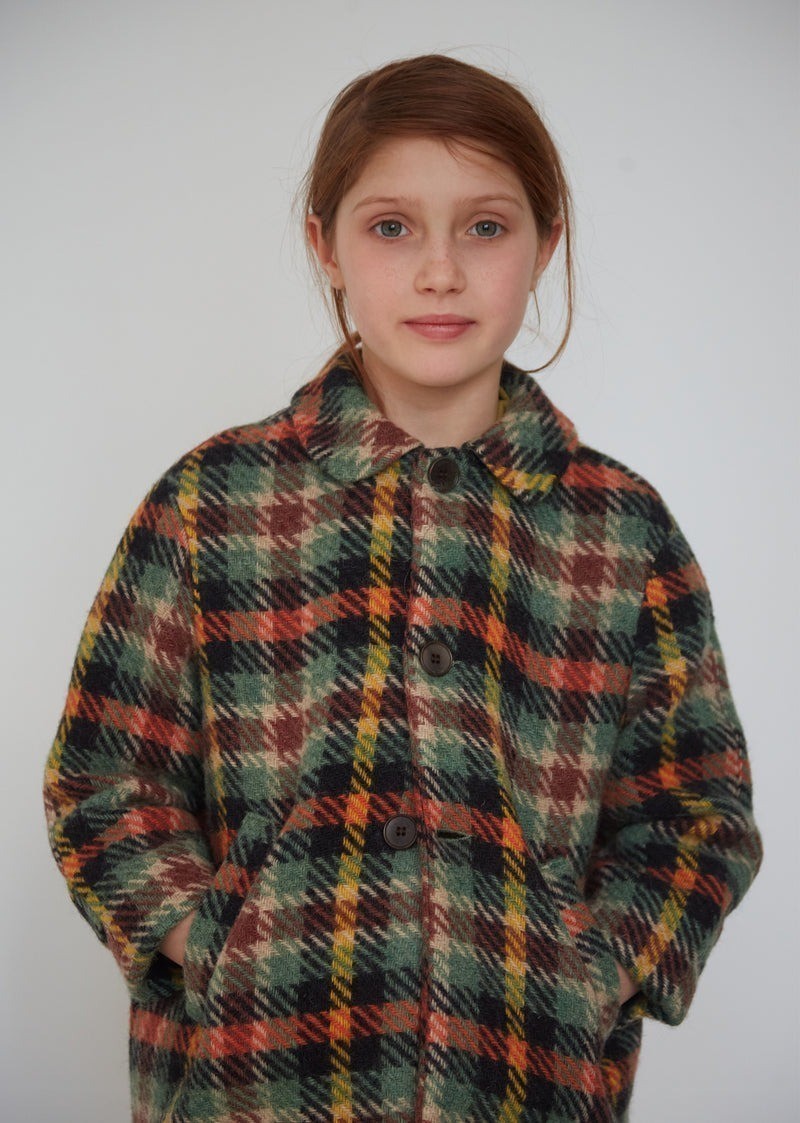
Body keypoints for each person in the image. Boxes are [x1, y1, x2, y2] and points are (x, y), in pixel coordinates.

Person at [43, 52, 763, 1123]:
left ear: (545, 244)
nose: (439, 272)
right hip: (252, 1085)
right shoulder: (210, 501)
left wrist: (596, 969)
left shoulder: (619, 527)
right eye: (391, 227)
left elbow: (693, 806)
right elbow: (103, 778)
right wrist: (215, 944)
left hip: (518, 1083)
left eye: (485, 227)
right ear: (324, 247)